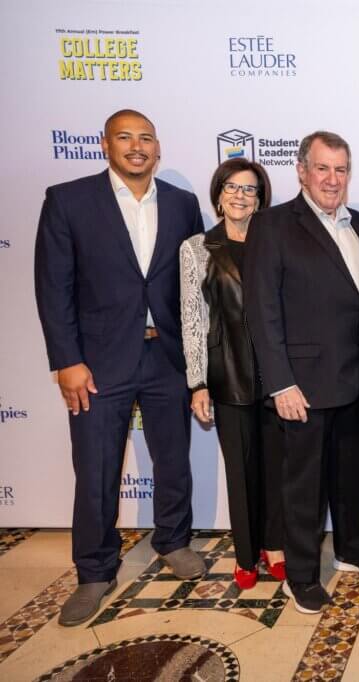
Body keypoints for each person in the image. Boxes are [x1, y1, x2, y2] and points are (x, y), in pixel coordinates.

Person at [35, 109, 206, 626]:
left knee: (174, 459)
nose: (137, 146)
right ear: (105, 145)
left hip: (166, 356)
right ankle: (93, 571)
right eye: (125, 138)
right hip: (98, 362)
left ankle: (173, 540)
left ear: (159, 149)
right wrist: (67, 360)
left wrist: (197, 363)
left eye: (146, 138)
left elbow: (195, 287)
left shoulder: (182, 204)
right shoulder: (68, 200)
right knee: (95, 468)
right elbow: (53, 286)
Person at [243, 131, 359, 614]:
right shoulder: (273, 225)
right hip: (302, 384)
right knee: (303, 486)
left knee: (352, 475)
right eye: (322, 168)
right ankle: (300, 575)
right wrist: (280, 382)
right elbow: (261, 310)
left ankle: (352, 549)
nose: (332, 179)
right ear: (301, 170)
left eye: (340, 169)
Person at [179, 158, 286, 589]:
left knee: (277, 466)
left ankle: (274, 545)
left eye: (251, 190)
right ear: (219, 193)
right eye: (233, 188)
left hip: (279, 373)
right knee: (240, 470)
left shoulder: (276, 240)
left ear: (261, 199)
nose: (241, 196)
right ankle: (245, 554)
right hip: (230, 372)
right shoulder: (198, 248)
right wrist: (198, 382)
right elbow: (192, 317)